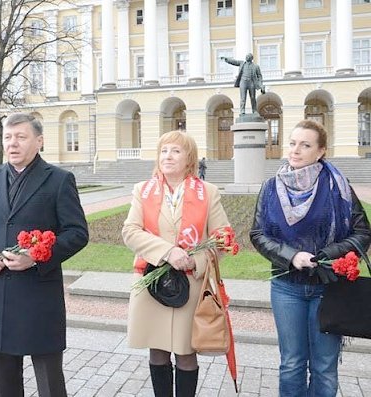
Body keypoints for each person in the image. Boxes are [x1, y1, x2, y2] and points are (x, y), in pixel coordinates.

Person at [0, 112, 89, 397]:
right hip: (0, 296)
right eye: (8, 137)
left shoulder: (59, 180)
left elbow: (77, 233)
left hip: (39, 296)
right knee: (6, 382)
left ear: (39, 141)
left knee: (49, 381)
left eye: (21, 137)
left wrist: (35, 256)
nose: (13, 144)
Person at [250, 119, 371, 396]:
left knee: (324, 366)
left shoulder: (337, 186)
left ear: (320, 151)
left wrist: (328, 254)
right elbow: (258, 234)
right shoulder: (271, 187)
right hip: (287, 288)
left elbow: (362, 232)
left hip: (329, 288)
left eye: (305, 145)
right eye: (292, 143)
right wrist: (292, 256)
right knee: (291, 363)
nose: (295, 150)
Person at [122, 130, 231, 396]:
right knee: (157, 350)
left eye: (176, 151)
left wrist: (195, 261)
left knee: (185, 352)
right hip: (152, 282)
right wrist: (168, 252)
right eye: (163, 151)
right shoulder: (142, 190)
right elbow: (131, 231)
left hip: (190, 284)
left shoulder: (208, 192)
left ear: (189, 159)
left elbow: (223, 239)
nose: (167, 156)